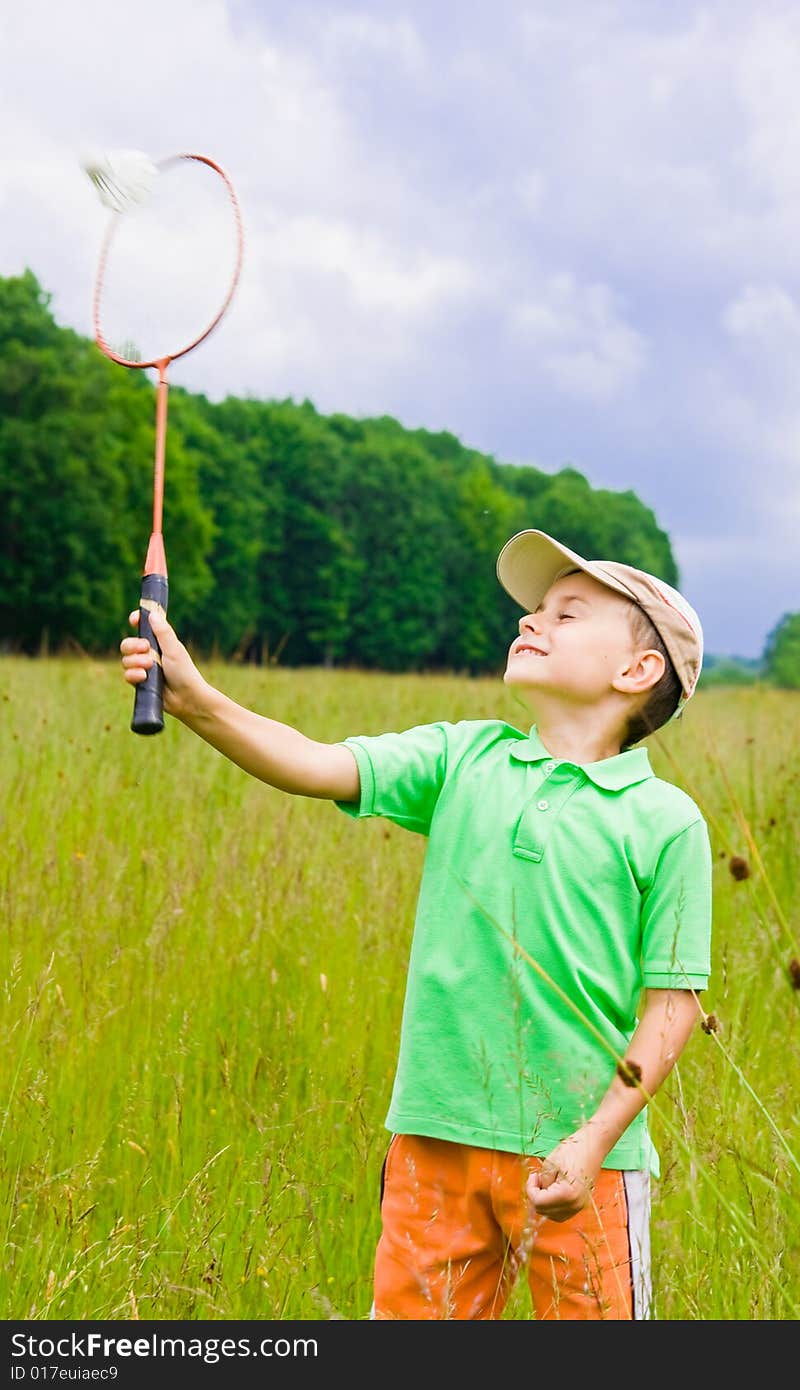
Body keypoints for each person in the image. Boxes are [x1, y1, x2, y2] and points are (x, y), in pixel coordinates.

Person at [120, 526, 713, 1321]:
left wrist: (596, 1138)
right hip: (436, 1135)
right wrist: (194, 698)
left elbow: (672, 1006)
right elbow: (311, 761)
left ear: (638, 671)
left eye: (567, 614)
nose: (530, 621)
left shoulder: (666, 822)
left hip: (583, 1159)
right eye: (533, 610)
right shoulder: (462, 758)